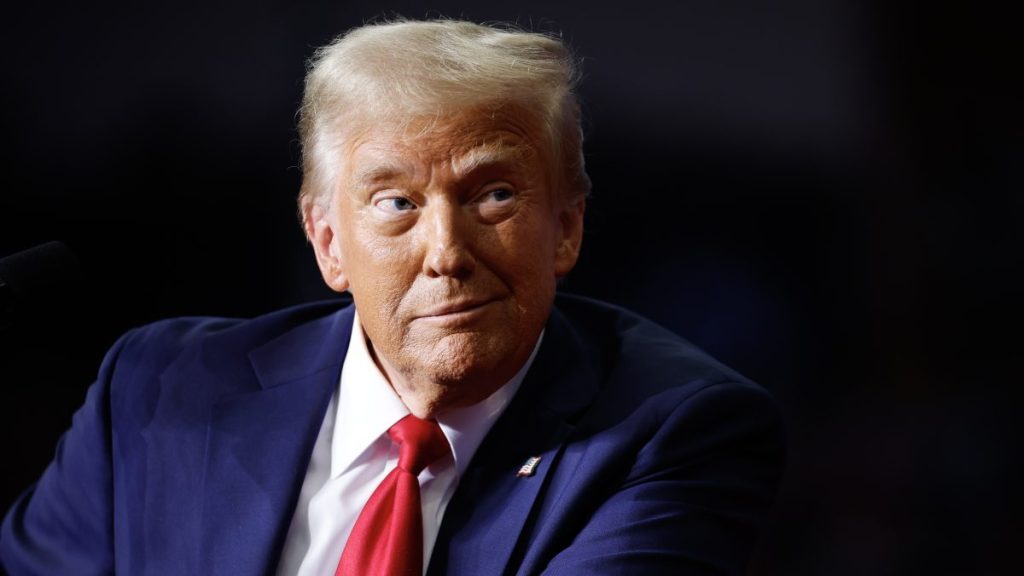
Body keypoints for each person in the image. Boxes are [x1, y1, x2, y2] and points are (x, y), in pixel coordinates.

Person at [0, 18, 784, 575]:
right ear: (328, 242)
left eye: (496, 194)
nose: (446, 253)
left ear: (567, 227)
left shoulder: (677, 431)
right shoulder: (156, 390)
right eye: (396, 203)